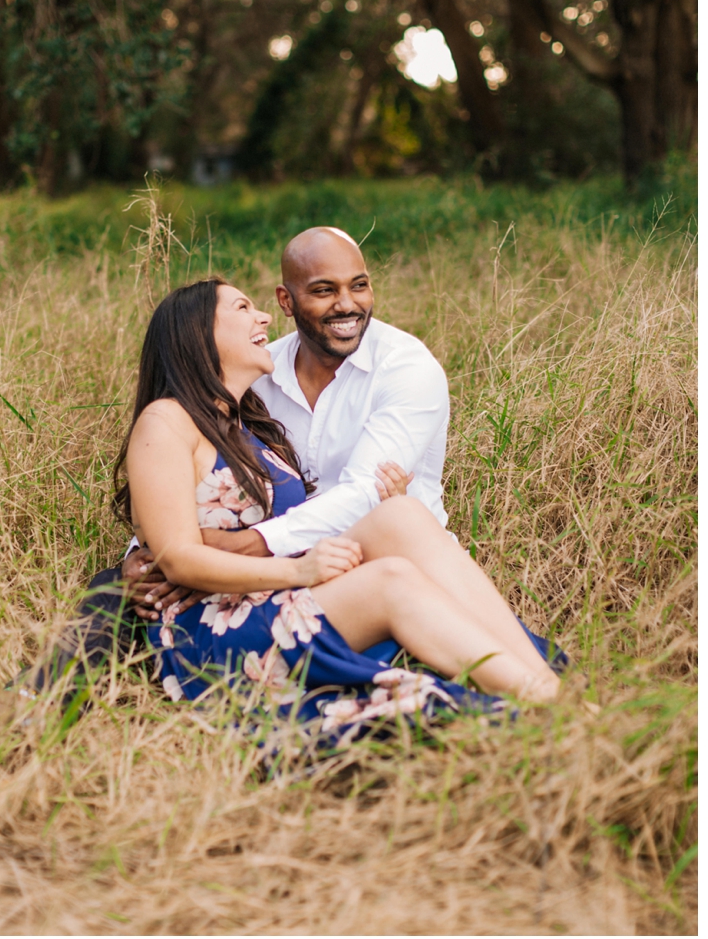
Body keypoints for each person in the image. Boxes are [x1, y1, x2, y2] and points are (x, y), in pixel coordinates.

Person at [113, 277, 562, 740]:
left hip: (267, 597)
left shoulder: (245, 424)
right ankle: (549, 703)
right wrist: (300, 572)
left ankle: (547, 684)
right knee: (392, 579)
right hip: (213, 629)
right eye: (243, 308)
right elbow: (176, 554)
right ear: (197, 332)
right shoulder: (165, 421)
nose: (264, 316)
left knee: (401, 516)